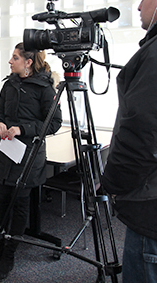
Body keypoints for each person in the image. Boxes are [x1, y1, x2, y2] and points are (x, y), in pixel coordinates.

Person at [0, 42, 62, 282]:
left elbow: (54, 123)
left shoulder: (45, 88)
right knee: (0, 200)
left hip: (29, 155)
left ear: (28, 62)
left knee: (18, 204)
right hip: (6, 151)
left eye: (15, 57)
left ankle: (8, 255)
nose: (10, 61)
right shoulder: (9, 84)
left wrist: (23, 129)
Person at [101, 0, 157, 282]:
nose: (137, 6)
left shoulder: (155, 54)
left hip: (150, 209)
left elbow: (143, 135)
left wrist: (111, 183)